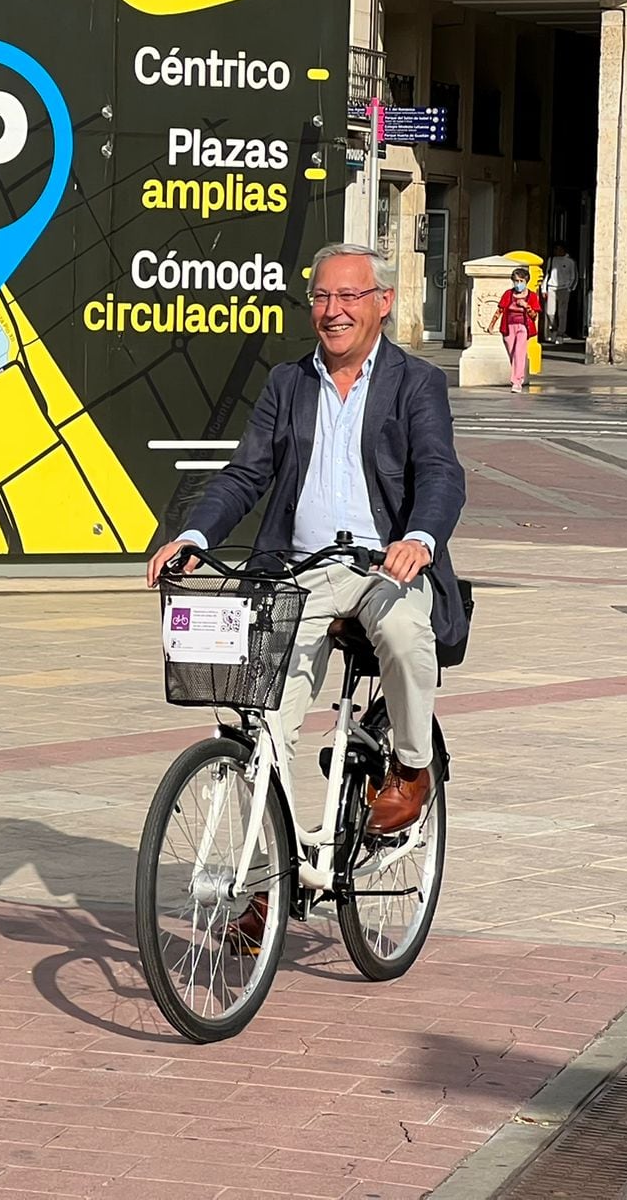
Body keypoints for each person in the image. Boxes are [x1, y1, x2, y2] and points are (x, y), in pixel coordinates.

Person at [145, 243, 468, 841]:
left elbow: (440, 472)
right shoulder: (287, 382)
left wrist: (419, 538)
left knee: (403, 632)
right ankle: (265, 882)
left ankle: (412, 767)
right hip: (298, 572)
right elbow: (246, 474)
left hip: (383, 568)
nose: (333, 310)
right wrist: (192, 535)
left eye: (349, 295)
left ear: (383, 303)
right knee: (261, 729)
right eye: (321, 296)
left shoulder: (415, 382)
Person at [490, 267, 539, 393]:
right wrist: (492, 324)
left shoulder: (532, 296)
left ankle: (517, 382)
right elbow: (500, 310)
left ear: (526, 281)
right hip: (508, 327)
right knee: (512, 353)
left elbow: (534, 316)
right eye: (516, 281)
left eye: (521, 281)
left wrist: (526, 306)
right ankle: (517, 376)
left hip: (523, 327)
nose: (518, 284)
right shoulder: (508, 294)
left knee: (519, 353)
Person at [543, 243, 578, 344]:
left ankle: (560, 333)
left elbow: (574, 275)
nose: (556, 251)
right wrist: (544, 289)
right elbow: (548, 273)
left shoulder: (570, 261)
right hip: (551, 287)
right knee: (550, 312)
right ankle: (554, 329)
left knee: (562, 313)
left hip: (564, 288)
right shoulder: (552, 260)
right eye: (555, 249)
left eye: (559, 249)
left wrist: (570, 288)